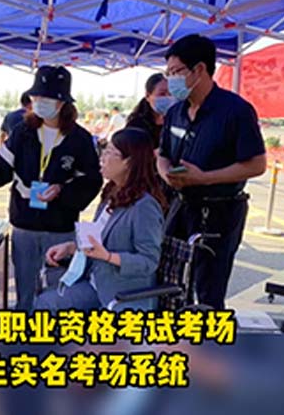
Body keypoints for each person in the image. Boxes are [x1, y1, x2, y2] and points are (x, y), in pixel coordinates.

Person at [0, 65, 103, 311]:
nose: (38, 102)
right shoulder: (22, 133)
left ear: (62, 103)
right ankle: (25, 331)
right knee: (25, 293)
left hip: (60, 228)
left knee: (57, 292)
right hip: (25, 226)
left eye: (45, 98)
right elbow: (0, 170)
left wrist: (62, 191)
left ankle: (51, 334)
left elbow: (91, 182)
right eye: (36, 97)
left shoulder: (79, 139)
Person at [157, 34, 267, 309]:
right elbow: (163, 155)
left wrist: (205, 178)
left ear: (200, 70)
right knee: (170, 281)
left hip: (220, 211)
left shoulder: (235, 111)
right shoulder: (176, 112)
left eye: (176, 72)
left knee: (208, 289)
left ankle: (208, 335)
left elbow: (257, 164)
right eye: (168, 73)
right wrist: (167, 173)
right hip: (181, 206)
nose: (171, 80)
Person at [34, 127, 165, 312]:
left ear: (128, 162)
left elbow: (148, 261)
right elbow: (99, 239)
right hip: (97, 283)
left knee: (50, 306)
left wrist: (109, 257)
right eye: (105, 150)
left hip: (122, 295)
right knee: (45, 303)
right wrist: (72, 247)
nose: (102, 156)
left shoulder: (144, 207)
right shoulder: (112, 192)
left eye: (110, 152)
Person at [126, 73, 177, 148]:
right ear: (147, 95)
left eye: (171, 94)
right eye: (162, 94)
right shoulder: (136, 124)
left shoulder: (176, 121)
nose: (168, 98)